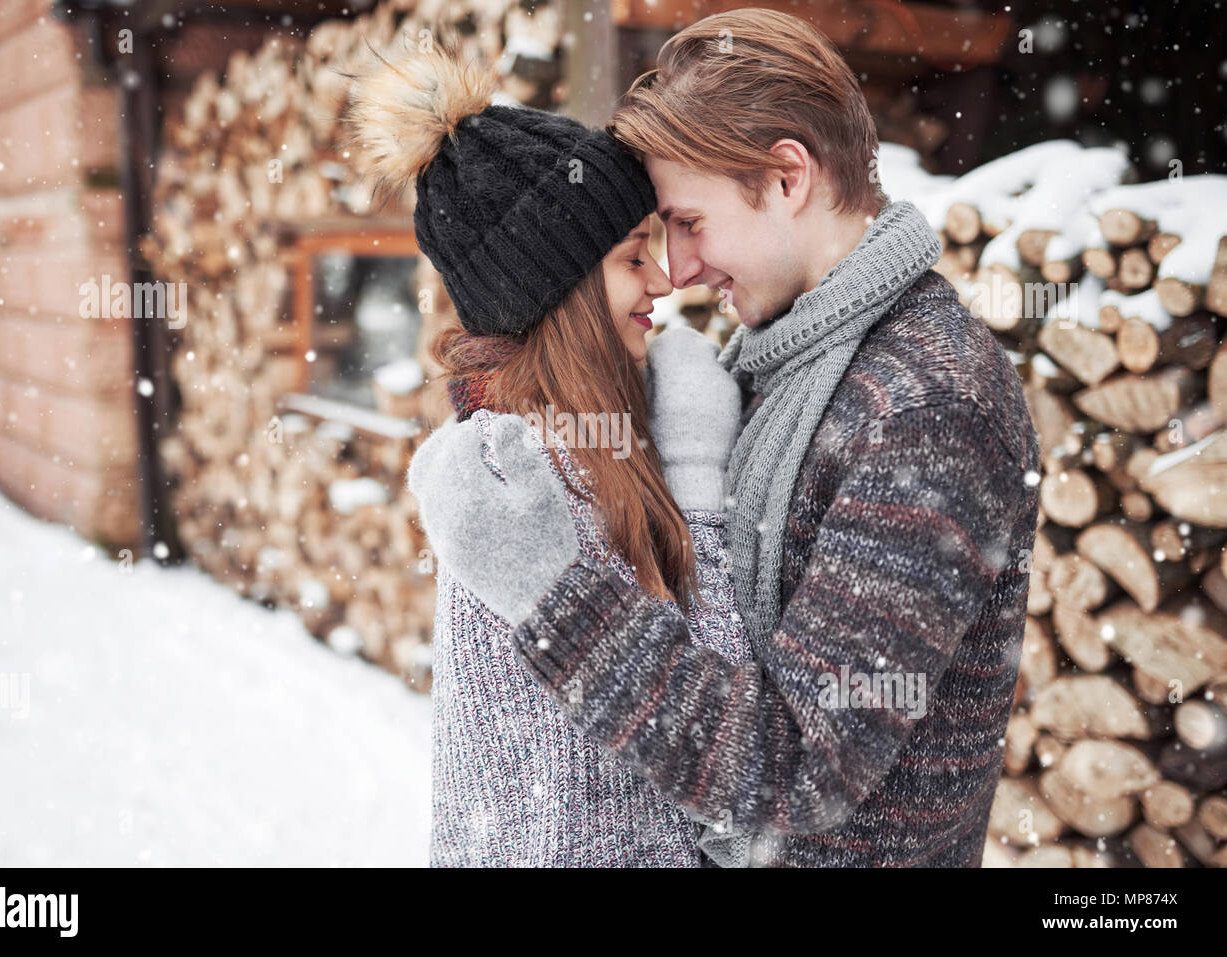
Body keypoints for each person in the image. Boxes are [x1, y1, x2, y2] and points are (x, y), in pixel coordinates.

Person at [408, 9, 1043, 867]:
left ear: (787, 178)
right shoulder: (784, 353)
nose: (682, 269)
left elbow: (799, 766)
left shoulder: (926, 405)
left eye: (689, 221)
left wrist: (557, 594)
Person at [347, 43, 753, 866]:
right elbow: (729, 782)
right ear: (557, 293)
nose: (664, 280)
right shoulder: (539, 484)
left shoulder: (524, 456)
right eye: (631, 257)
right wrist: (702, 482)